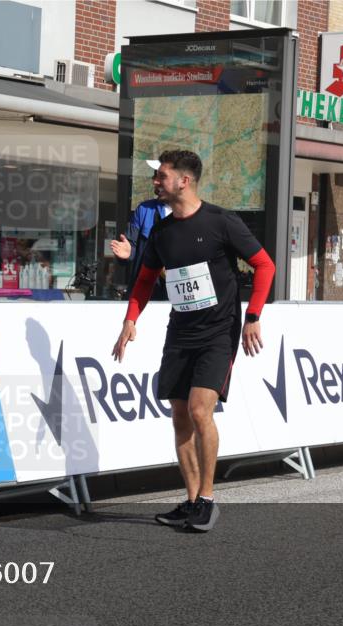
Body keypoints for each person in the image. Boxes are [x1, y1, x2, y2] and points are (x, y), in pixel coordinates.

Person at [111, 149, 275, 532]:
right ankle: (189, 501)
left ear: (183, 181)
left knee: (202, 411)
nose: (155, 182)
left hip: (220, 331)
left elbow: (265, 264)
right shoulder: (162, 232)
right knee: (180, 416)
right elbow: (146, 279)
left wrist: (253, 317)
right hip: (181, 332)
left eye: (162, 176)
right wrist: (130, 320)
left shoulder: (221, 222)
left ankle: (207, 498)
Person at [110, 185, 169, 301]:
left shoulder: (193, 215)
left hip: (180, 299)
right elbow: (132, 247)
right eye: (155, 176)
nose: (156, 181)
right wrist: (129, 253)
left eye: (162, 176)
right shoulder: (144, 209)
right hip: (145, 297)